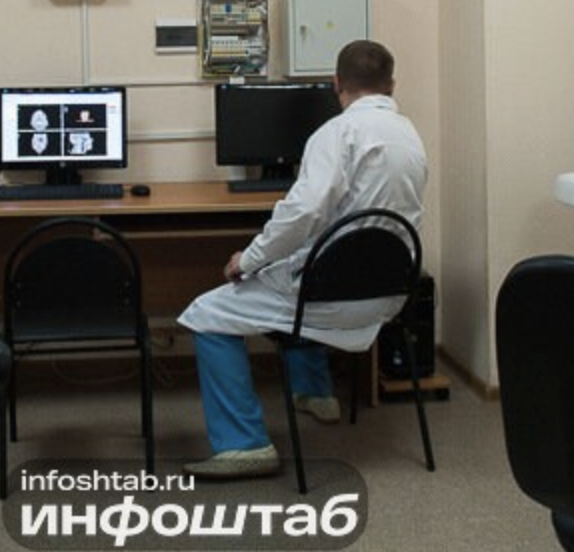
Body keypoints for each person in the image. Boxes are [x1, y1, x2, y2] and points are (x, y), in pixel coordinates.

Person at [178, 39, 427, 479]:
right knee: (301, 269)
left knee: (207, 313)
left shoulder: (336, 134)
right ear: (392, 85)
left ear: (336, 83)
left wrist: (248, 260)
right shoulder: (409, 134)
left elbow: (304, 211)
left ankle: (244, 445)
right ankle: (316, 393)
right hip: (389, 295)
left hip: (332, 295)